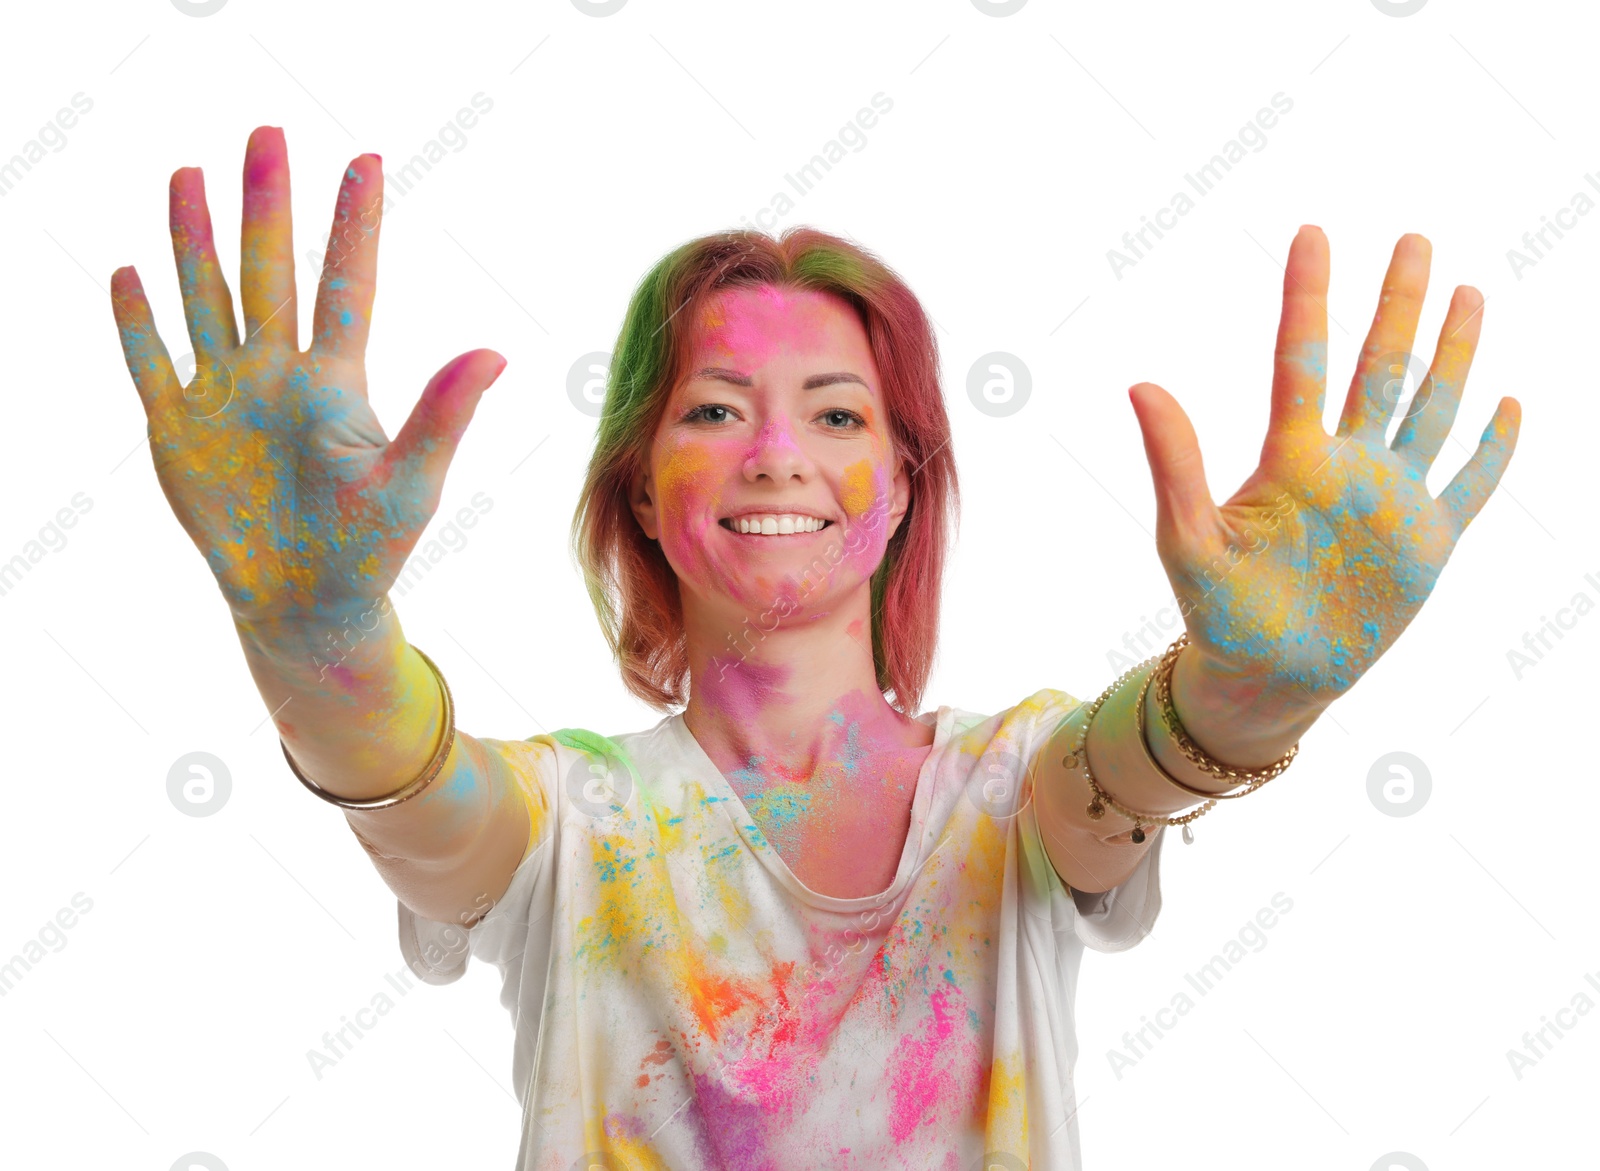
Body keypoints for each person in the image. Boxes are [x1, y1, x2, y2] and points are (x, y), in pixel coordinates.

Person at [109, 125, 1521, 1170]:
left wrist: (1246, 693)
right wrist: (322, 640)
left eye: (838, 414)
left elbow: (1122, 786)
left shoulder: (1010, 784)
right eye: (716, 409)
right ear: (642, 492)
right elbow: (420, 806)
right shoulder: (575, 818)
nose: (777, 451)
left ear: (906, 485)